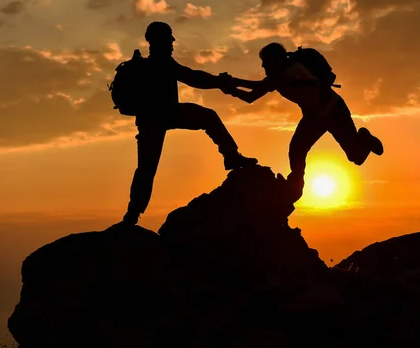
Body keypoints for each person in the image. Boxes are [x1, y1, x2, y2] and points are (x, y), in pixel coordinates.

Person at [122, 21, 257, 225]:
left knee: (146, 168)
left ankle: (132, 215)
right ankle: (231, 157)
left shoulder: (157, 62)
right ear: (158, 41)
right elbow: (194, 78)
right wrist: (219, 82)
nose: (172, 42)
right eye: (169, 38)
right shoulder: (161, 63)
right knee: (147, 167)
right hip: (162, 116)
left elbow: (193, 76)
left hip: (155, 118)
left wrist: (220, 82)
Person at [222, 42, 383, 199]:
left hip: (335, 111)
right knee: (297, 149)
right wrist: (231, 90)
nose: (263, 67)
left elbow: (257, 86)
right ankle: (295, 185)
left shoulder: (294, 70)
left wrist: (232, 82)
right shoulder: (276, 77)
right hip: (314, 117)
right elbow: (251, 96)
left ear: (276, 60)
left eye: (266, 63)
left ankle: (363, 137)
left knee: (356, 157)